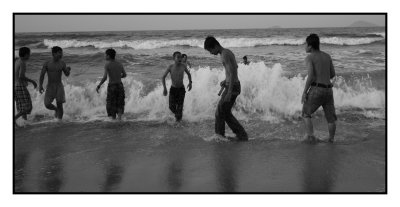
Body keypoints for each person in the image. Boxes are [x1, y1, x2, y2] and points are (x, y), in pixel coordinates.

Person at [204, 36, 248, 141]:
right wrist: (226, 80)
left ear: (215, 46)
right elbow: (234, 68)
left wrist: (229, 91)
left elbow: (232, 72)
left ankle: (219, 136)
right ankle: (241, 135)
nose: (211, 53)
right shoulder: (227, 52)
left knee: (219, 112)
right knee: (226, 113)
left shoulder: (224, 55)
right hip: (233, 85)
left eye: (210, 50)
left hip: (232, 87)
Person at [301, 34, 337, 143]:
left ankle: (310, 136)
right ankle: (331, 139)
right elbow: (332, 74)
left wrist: (304, 92)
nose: (305, 46)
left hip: (317, 89)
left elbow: (311, 76)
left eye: (306, 44)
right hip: (328, 90)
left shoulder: (309, 57)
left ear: (310, 46)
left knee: (305, 113)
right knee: (330, 118)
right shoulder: (327, 56)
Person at [39, 46, 71, 120]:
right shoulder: (47, 63)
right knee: (47, 104)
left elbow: (66, 74)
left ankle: (59, 121)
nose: (61, 55)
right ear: (53, 54)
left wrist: (68, 70)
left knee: (60, 104)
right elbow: (42, 75)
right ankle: (55, 109)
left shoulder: (62, 63)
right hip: (50, 86)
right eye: (59, 53)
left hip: (59, 86)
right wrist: (40, 85)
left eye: (61, 53)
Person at [96, 48, 127, 120]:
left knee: (111, 104)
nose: (105, 56)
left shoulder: (107, 64)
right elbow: (124, 75)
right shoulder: (119, 64)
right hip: (120, 85)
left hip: (112, 86)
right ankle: (119, 120)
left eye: (106, 55)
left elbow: (105, 78)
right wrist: (118, 76)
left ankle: (113, 121)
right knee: (120, 103)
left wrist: (99, 85)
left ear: (109, 56)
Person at [162, 51, 192, 122]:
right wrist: (165, 88)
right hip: (173, 89)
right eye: (178, 57)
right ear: (174, 58)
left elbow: (189, 74)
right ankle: (178, 115)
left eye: (181, 57)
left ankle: (179, 122)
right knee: (171, 107)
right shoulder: (170, 67)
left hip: (181, 89)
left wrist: (190, 83)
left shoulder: (183, 66)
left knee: (180, 107)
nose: (180, 58)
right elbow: (163, 77)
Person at [14, 47, 37, 122]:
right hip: (20, 86)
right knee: (28, 107)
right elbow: (21, 76)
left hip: (15, 86)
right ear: (26, 54)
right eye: (29, 54)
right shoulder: (22, 62)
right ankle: (14, 118)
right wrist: (32, 81)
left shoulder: (17, 61)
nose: (29, 56)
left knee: (22, 107)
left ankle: (25, 122)